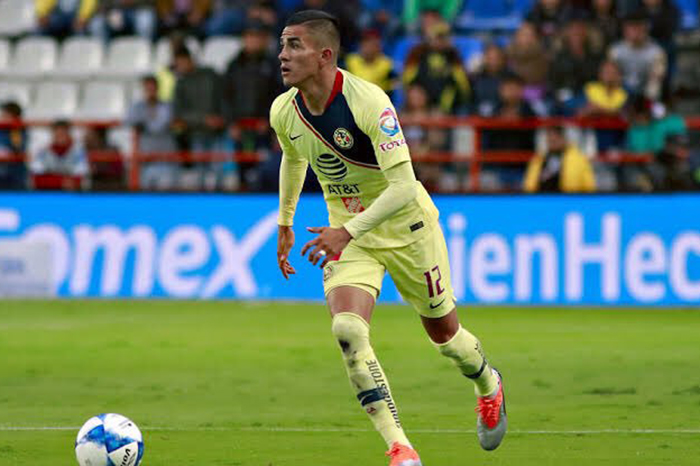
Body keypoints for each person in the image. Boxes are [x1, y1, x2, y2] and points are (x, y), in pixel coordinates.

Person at [271, 11, 507, 466]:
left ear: (324, 56)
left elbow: (403, 186)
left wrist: (346, 231)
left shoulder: (368, 102)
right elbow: (293, 156)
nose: (283, 55)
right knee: (347, 330)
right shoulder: (284, 109)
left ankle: (488, 383)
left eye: (294, 45)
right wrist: (286, 222)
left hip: (406, 228)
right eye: (282, 44)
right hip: (349, 235)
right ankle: (400, 447)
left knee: (447, 337)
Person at [523, 126, 596, 192]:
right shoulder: (538, 159)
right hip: (541, 199)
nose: (552, 139)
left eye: (556, 137)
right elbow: (529, 185)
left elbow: (589, 187)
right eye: (549, 137)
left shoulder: (579, 160)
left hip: (568, 199)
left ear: (564, 138)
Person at [30, 120, 89, 190]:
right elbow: (36, 179)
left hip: (71, 193)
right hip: (48, 192)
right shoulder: (43, 151)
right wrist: (60, 182)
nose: (60, 136)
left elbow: (82, 179)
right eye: (57, 133)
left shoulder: (77, 151)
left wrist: (73, 183)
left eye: (63, 133)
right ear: (53, 134)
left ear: (68, 133)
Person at [0, 101, 27, 190]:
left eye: (6, 114)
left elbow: (17, 149)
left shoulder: (18, 129)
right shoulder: (2, 129)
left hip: (15, 173)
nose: (2, 117)